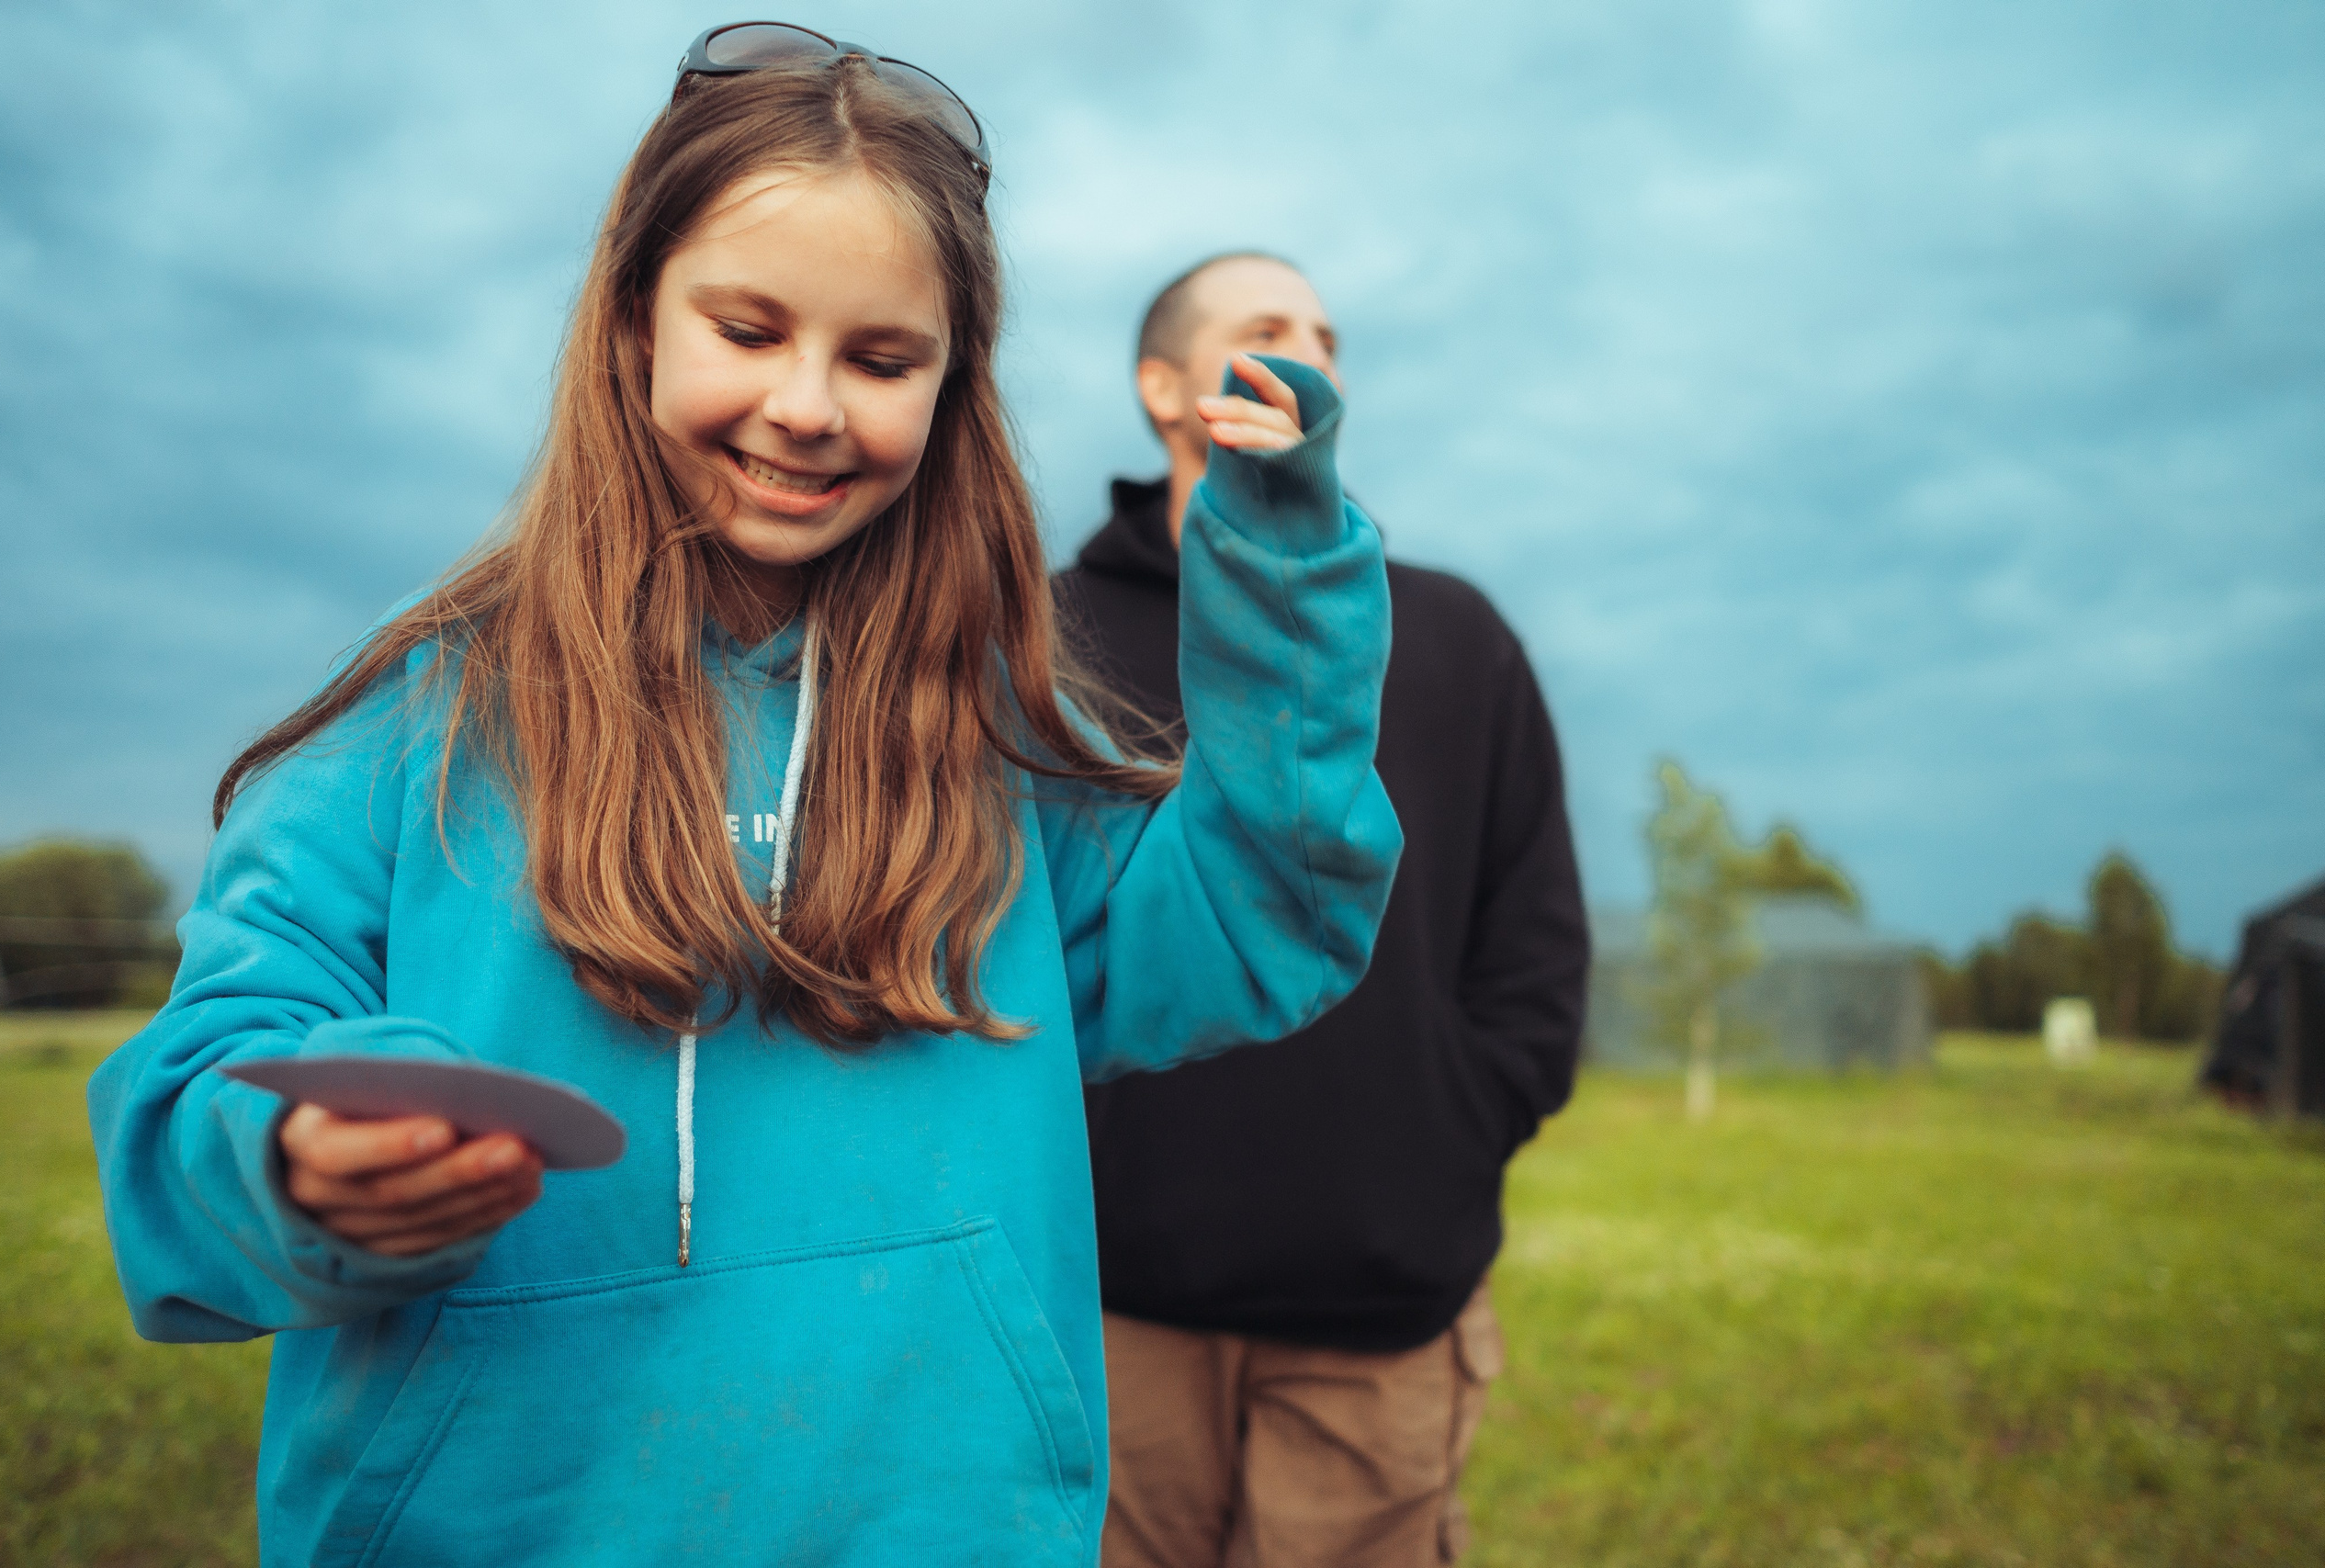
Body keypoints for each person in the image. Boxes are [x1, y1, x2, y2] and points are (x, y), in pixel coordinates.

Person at [86, 32, 1400, 1567]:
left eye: (881, 359)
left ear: (949, 391)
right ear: (635, 320)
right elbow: (196, 1101)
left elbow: (1267, 917)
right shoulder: (411, 732)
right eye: (750, 327)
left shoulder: (989, 757)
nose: (809, 405)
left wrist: (1281, 571)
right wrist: (300, 1165)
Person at [1062, 253, 1590, 1568]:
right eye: (1264, 328)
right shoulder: (1039, 634)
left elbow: (1532, 947)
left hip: (1380, 1315)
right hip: (1109, 1311)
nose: (1309, 351)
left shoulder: (1457, 637)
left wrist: (1450, 1132)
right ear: (1163, 388)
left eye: (1326, 334)